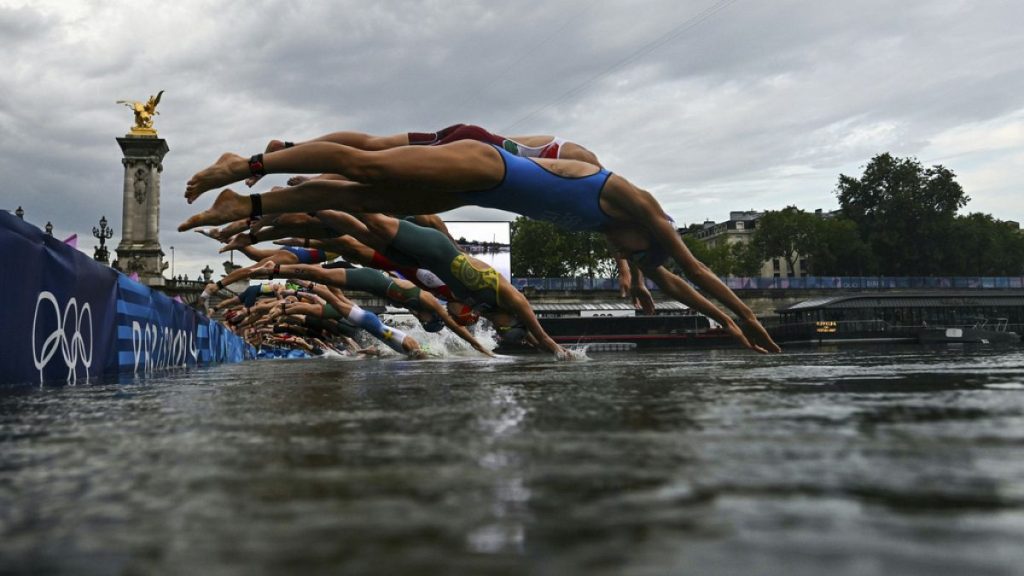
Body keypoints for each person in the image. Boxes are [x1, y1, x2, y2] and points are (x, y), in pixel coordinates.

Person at [182, 138, 781, 354]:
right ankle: (248, 166)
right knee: (364, 168)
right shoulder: (636, 203)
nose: (640, 263)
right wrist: (748, 316)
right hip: (486, 161)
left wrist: (726, 329)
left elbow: (679, 284)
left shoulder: (627, 240)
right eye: (640, 258)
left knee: (363, 195)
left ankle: (250, 206)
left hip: (479, 189)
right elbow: (696, 268)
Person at [245, 260, 495, 357]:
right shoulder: (430, 303)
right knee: (330, 292)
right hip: (374, 281)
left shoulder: (422, 309)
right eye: (425, 321)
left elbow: (381, 348)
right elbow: (453, 326)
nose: (420, 320)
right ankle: (279, 270)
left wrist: (362, 351)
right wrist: (479, 347)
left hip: (375, 296)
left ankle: (289, 279)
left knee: (335, 298)